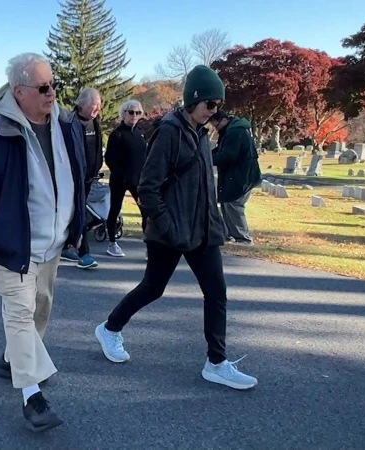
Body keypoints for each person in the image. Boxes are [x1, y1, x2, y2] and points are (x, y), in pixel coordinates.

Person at [94, 65, 258, 390]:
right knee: (153, 288)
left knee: (216, 293)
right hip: (170, 231)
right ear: (193, 100)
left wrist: (215, 225)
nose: (214, 112)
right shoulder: (170, 131)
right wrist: (169, 228)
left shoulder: (199, 132)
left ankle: (216, 362)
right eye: (209, 104)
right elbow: (148, 187)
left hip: (202, 231)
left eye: (217, 107)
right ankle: (110, 329)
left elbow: (201, 186)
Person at [0, 52, 85, 432]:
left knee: (40, 309)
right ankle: (32, 396)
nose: (52, 93)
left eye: (54, 84)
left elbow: (77, 177)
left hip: (52, 246)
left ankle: (13, 358)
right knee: (21, 313)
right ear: (18, 91)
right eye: (43, 87)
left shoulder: (66, 124)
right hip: (12, 247)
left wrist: (78, 231)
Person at [61, 88, 102, 270]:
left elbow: (97, 146)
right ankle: (84, 253)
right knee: (80, 213)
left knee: (77, 213)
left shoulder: (96, 122)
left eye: (99, 108)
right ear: (81, 105)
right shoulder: (70, 123)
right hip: (73, 178)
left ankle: (67, 245)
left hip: (89, 177)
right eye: (93, 107)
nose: (96, 112)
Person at [208, 110, 261, 245]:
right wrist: (207, 153)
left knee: (234, 203)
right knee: (226, 202)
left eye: (216, 125)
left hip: (242, 175)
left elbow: (228, 155)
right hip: (234, 174)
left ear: (224, 120)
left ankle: (243, 237)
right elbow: (221, 150)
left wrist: (206, 158)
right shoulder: (228, 131)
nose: (216, 128)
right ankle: (230, 234)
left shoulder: (235, 132)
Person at [103, 99, 147, 258]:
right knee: (114, 209)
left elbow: (144, 156)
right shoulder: (117, 134)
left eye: (137, 112)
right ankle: (112, 243)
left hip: (138, 180)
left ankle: (149, 244)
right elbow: (110, 158)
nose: (134, 115)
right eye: (131, 112)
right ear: (124, 114)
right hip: (119, 181)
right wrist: (121, 174)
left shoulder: (141, 133)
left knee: (146, 211)